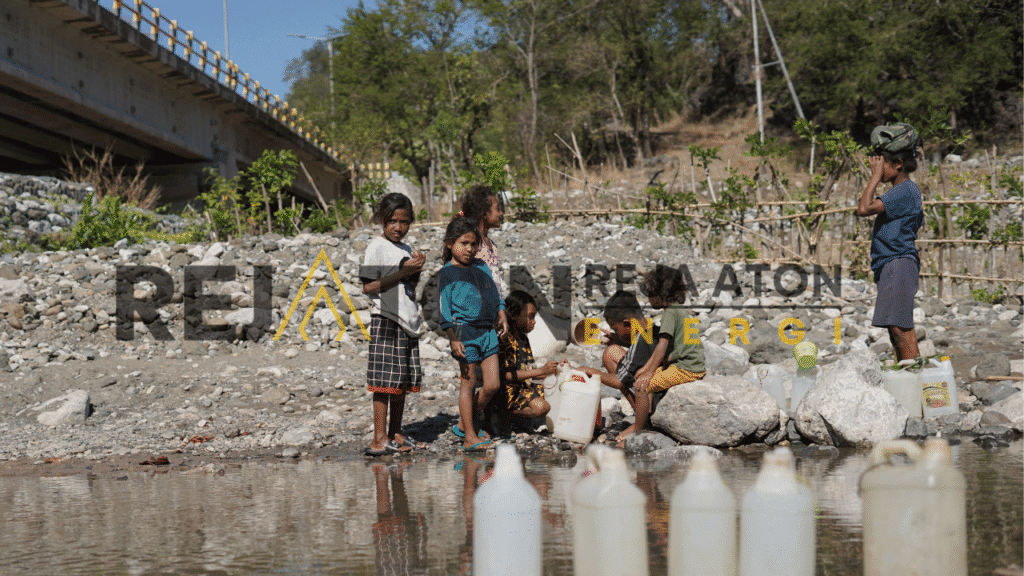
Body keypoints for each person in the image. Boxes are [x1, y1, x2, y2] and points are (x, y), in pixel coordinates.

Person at [360, 193, 426, 456]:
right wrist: (403, 272)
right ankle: (379, 438)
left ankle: (396, 433)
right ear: (381, 221)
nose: (399, 227)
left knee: (401, 381)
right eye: (392, 222)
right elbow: (368, 286)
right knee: (384, 381)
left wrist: (415, 270)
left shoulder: (406, 249)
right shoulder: (376, 246)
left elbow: (408, 288)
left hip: (407, 320)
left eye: (404, 222)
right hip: (386, 318)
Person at [438, 217, 509, 452]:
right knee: (467, 384)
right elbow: (444, 310)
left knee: (492, 384)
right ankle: (469, 435)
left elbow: (494, 293)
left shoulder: (481, 266)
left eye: (473, 244)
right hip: (464, 332)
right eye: (463, 243)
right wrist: (453, 337)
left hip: (488, 331)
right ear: (450, 243)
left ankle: (463, 423)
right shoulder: (447, 273)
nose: (469, 249)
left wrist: (501, 312)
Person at [855, 122, 924, 362]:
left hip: (898, 262)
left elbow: (863, 208)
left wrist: (873, 178)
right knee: (896, 328)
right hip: (893, 264)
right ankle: (909, 371)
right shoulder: (901, 191)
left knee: (899, 327)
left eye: (881, 163)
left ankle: (913, 375)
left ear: (897, 165)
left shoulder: (904, 190)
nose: (877, 167)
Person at [629, 266, 706, 441]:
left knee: (641, 386)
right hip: (689, 363)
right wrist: (647, 368)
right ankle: (647, 420)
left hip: (686, 368)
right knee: (642, 377)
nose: (648, 299)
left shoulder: (670, 314)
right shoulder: (676, 309)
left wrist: (648, 372)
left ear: (661, 294)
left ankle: (638, 431)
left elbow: (662, 346)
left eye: (650, 293)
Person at [579, 291, 658, 443]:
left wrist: (588, 370)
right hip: (655, 388)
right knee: (611, 352)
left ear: (628, 323)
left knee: (611, 357)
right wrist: (619, 340)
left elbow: (617, 381)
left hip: (655, 400)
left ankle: (642, 423)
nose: (616, 333)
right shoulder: (652, 330)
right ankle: (641, 418)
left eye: (616, 329)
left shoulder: (640, 343)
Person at [494, 291, 558, 432]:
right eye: (530, 317)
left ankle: (516, 417)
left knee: (556, 390)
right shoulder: (506, 340)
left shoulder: (523, 339)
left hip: (523, 389)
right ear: (514, 315)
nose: (534, 321)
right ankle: (503, 414)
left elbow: (528, 371)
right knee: (543, 407)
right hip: (508, 393)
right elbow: (505, 376)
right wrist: (541, 371)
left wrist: (555, 370)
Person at [458, 185, 505, 295]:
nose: (501, 213)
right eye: (497, 209)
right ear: (484, 214)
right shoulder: (472, 245)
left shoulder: (491, 245)